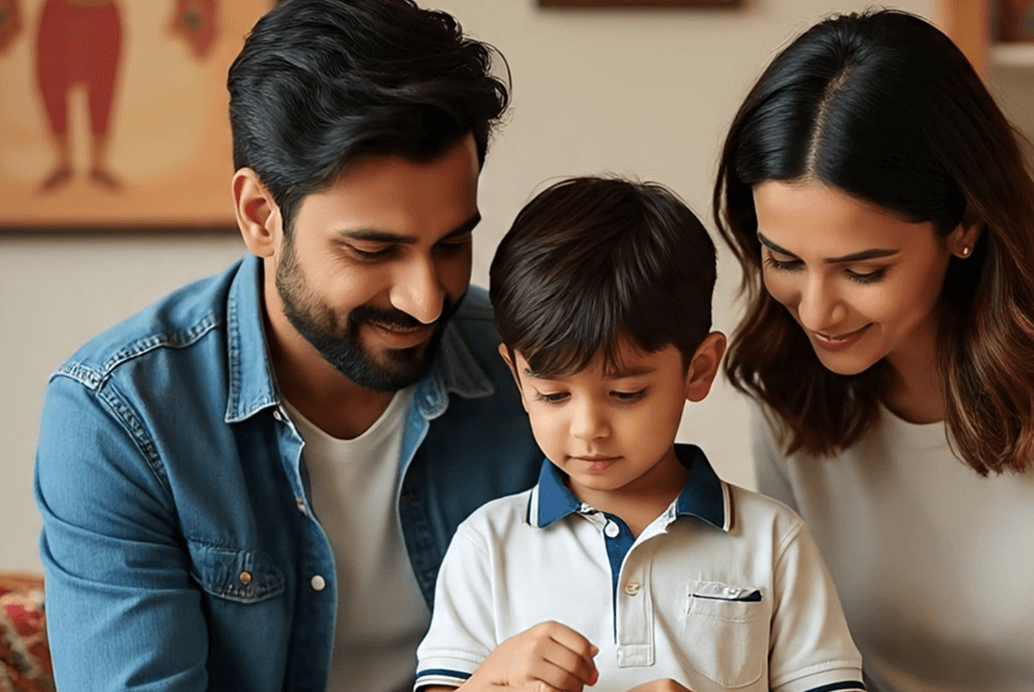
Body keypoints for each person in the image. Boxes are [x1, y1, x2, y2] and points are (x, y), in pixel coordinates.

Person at [713, 9, 1034, 692]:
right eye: (783, 260)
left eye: (863, 270)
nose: (815, 311)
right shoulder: (785, 378)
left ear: (964, 221)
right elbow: (809, 666)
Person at [32, 2, 542, 691]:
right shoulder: (121, 418)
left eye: (452, 244)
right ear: (260, 216)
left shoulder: (534, 369)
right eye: (373, 250)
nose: (426, 300)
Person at [412, 177, 867, 692]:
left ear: (699, 370)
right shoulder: (486, 545)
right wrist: (494, 679)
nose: (588, 429)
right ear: (517, 378)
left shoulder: (772, 541)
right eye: (553, 395)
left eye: (625, 394)